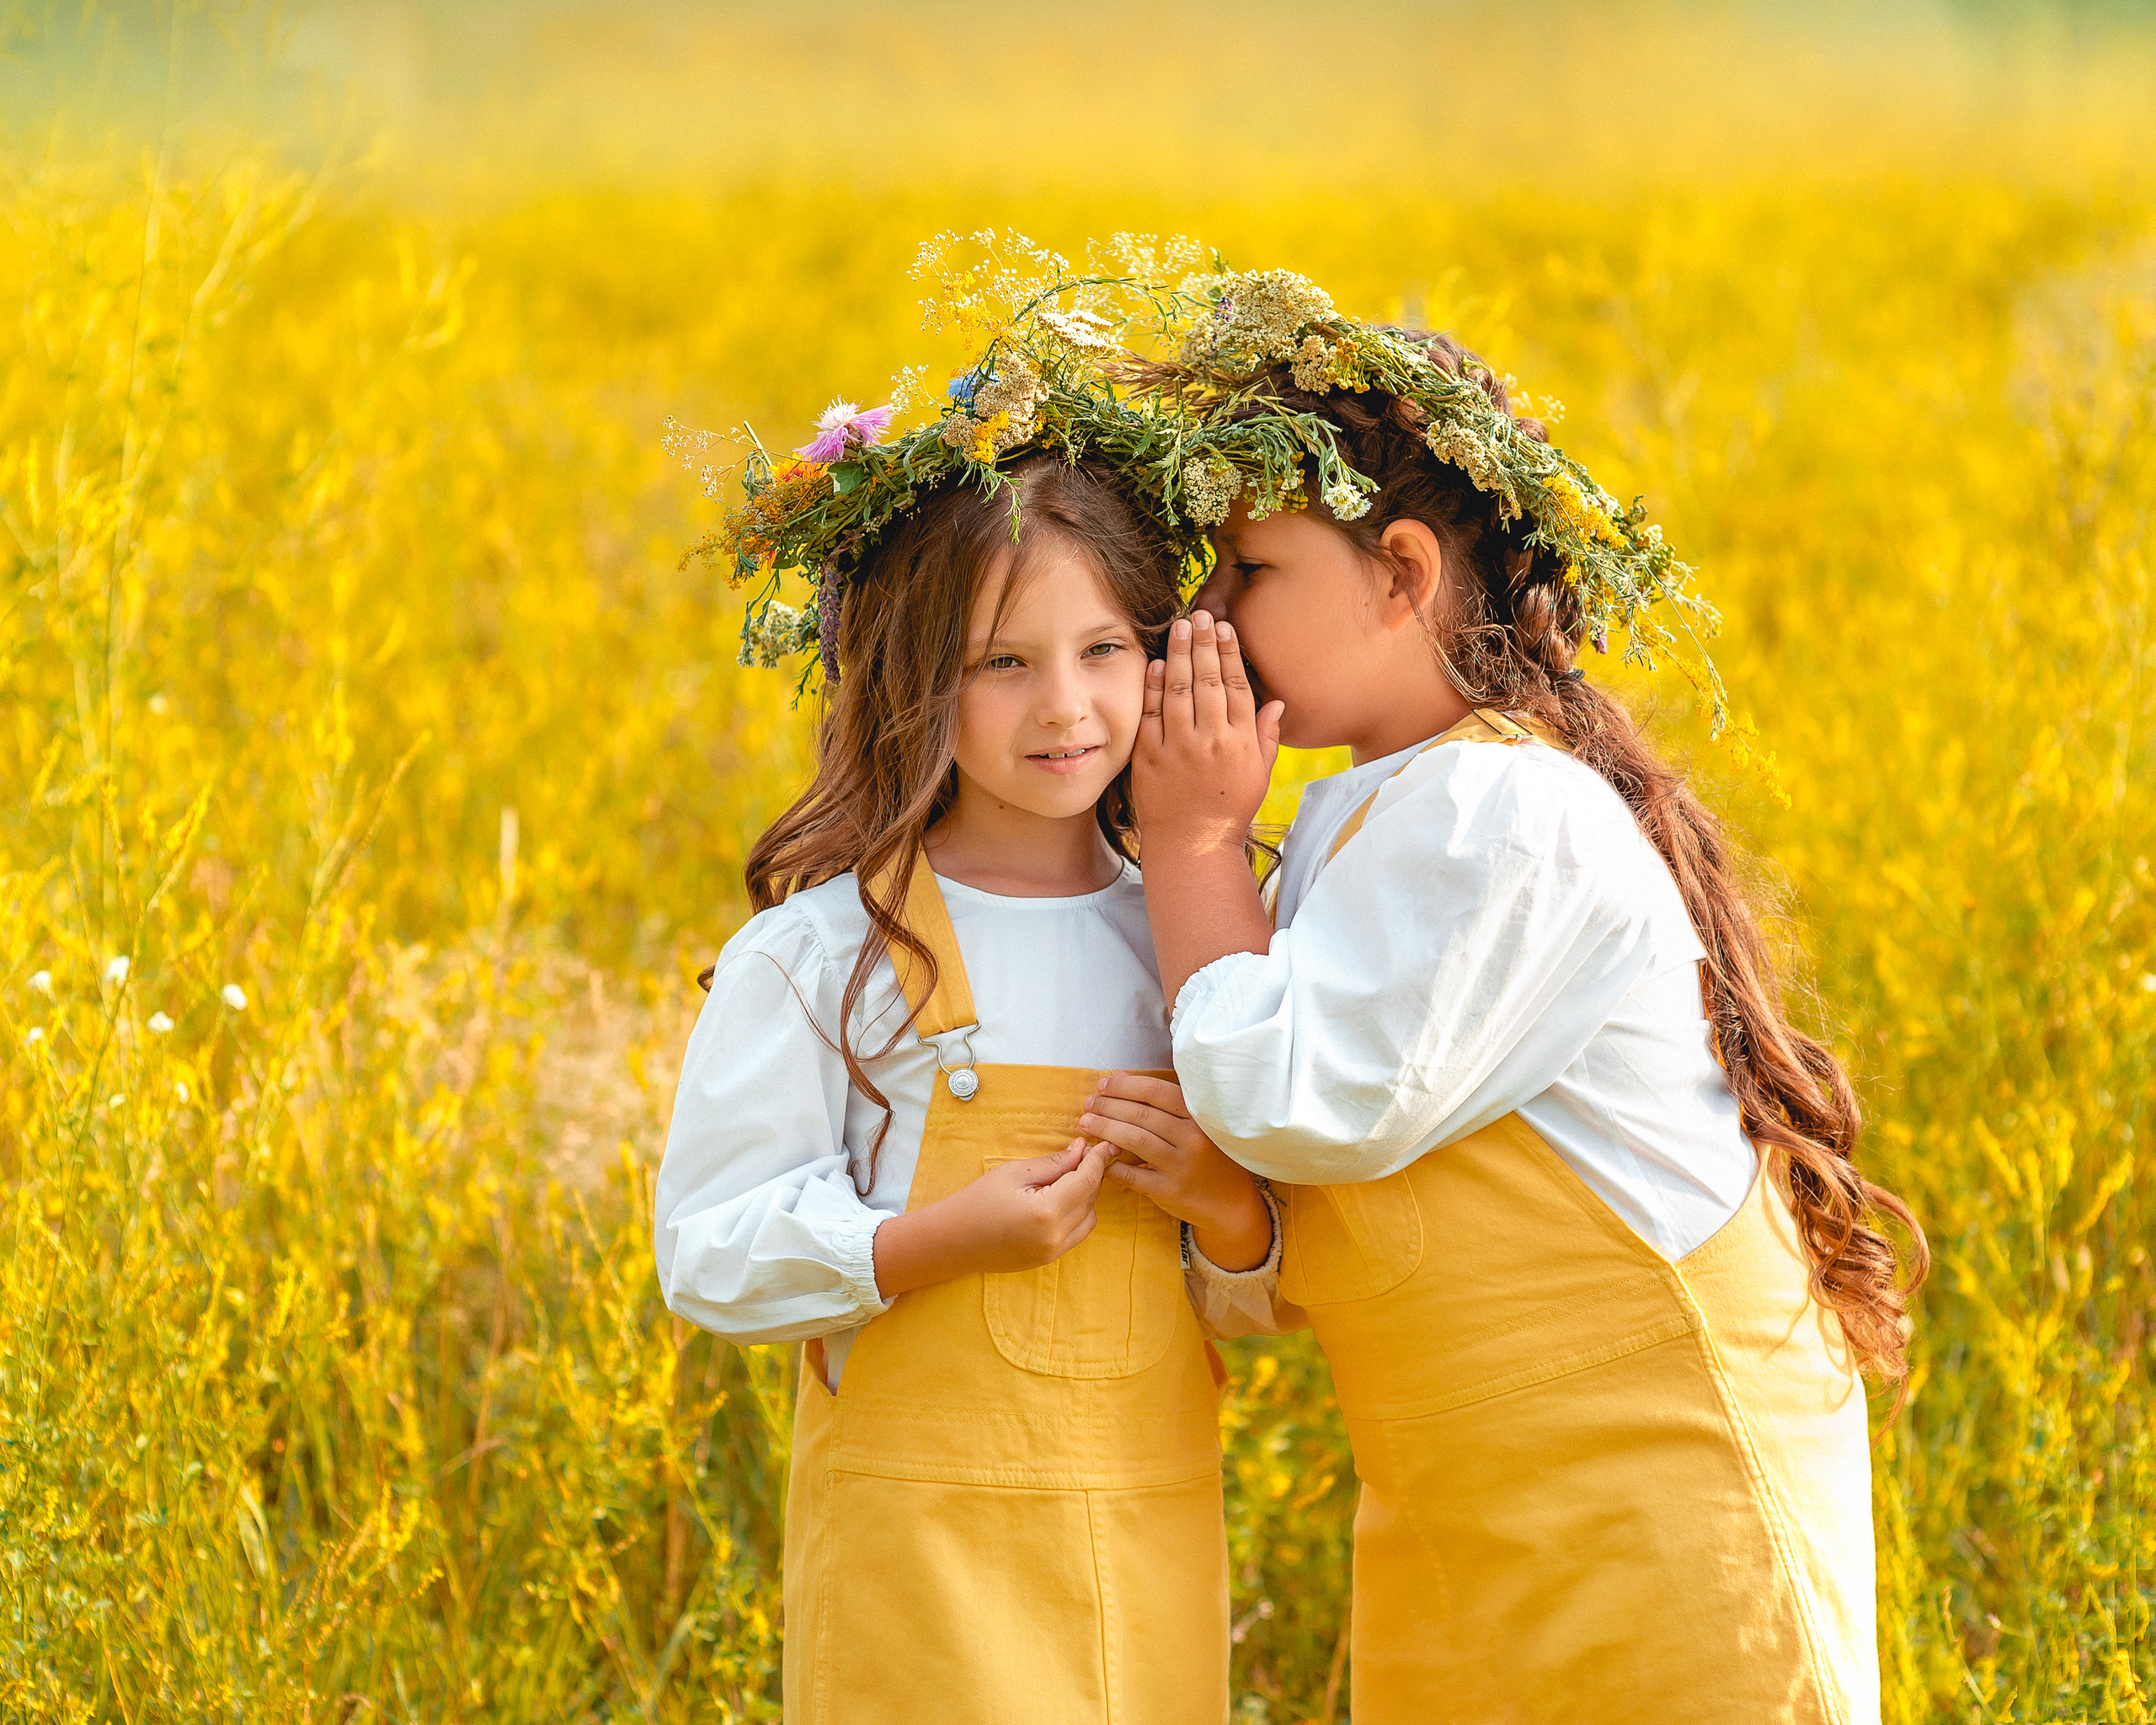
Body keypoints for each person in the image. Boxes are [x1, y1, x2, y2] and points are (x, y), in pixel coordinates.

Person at [1111, 274, 1928, 1724]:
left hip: (1656, 1529)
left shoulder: (1498, 807)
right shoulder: (1381, 817)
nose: (1206, 620)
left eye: (1249, 573)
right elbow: (1346, 1222)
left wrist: (1185, 844)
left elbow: (1302, 1105)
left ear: (1405, 573)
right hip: (1476, 1531)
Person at [654, 425, 1279, 1722]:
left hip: (1138, 1548)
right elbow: (707, 1251)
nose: (1066, 706)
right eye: (1003, 663)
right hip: (914, 1577)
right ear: (907, 675)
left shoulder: (1203, 941)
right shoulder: (824, 953)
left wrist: (1222, 1205)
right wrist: (925, 1243)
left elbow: (1271, 1293)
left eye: (1105, 650)